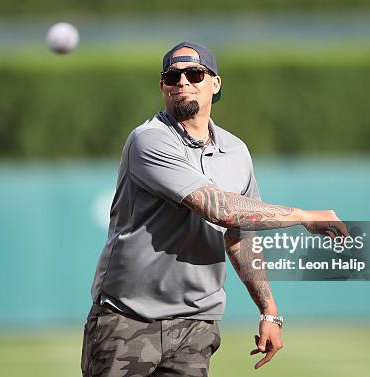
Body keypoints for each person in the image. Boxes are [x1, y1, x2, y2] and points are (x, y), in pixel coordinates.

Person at [81, 41, 347, 377]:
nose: (183, 83)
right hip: (127, 319)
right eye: (172, 76)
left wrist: (269, 311)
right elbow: (219, 209)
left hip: (195, 326)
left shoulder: (235, 151)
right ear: (162, 86)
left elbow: (240, 236)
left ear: (215, 83)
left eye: (194, 74)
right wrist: (305, 216)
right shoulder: (148, 140)